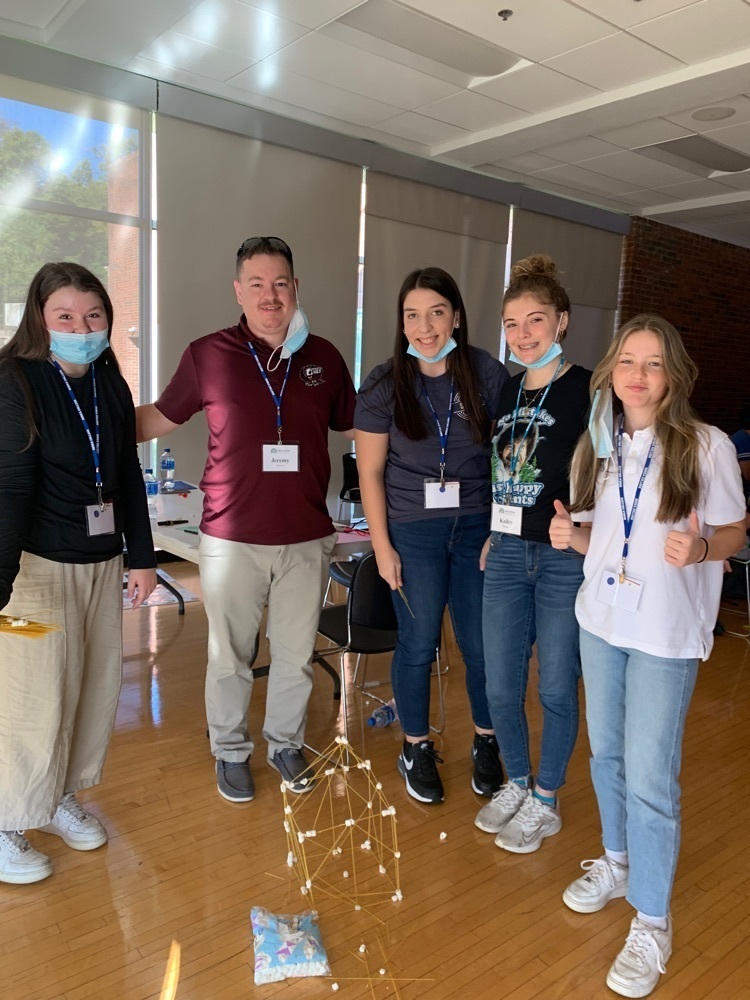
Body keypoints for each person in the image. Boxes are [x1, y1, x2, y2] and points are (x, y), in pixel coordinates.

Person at [550, 314, 745, 998]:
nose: (638, 374)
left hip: (664, 633)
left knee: (651, 779)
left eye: (653, 363)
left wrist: (704, 548)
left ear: (673, 376)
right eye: (627, 361)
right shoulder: (600, 445)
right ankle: (617, 861)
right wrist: (571, 536)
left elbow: (734, 530)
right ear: (611, 372)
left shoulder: (706, 445)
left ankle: (652, 922)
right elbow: (609, 536)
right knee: (605, 756)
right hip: (601, 622)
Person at [136, 237, 355, 802]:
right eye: (256, 284)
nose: (269, 295)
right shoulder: (208, 354)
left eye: (280, 283)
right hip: (231, 538)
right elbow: (158, 417)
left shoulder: (325, 358)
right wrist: (88, 428)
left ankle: (285, 745)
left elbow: (359, 427)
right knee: (229, 657)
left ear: (295, 288)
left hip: (306, 537)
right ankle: (231, 752)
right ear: (238, 290)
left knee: (295, 657)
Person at [0, 262, 157, 885]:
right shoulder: (15, 381)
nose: (81, 329)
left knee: (92, 690)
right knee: (33, 697)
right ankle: (7, 818)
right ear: (40, 319)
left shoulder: (108, 382)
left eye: (93, 316)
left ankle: (60, 795)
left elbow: (126, 475)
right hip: (34, 572)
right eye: (65, 316)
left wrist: (142, 555)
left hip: (100, 565)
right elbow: (9, 487)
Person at [355, 266, 508, 805]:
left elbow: (510, 457)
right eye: (412, 315)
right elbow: (370, 472)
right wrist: (381, 547)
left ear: (456, 317)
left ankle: (486, 741)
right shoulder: (383, 384)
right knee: (418, 644)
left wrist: (500, 529)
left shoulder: (486, 374)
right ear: (401, 323)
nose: (425, 327)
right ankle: (415, 745)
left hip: (476, 530)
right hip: (412, 532)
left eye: (436, 312)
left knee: (480, 645)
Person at [475, 254, 591, 853]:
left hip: (562, 557)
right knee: (500, 683)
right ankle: (517, 782)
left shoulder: (589, 389)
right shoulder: (507, 388)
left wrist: (588, 530)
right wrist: (494, 530)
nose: (523, 335)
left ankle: (546, 799)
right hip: (506, 551)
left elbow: (612, 471)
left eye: (535, 321)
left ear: (561, 321)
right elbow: (504, 468)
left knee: (554, 687)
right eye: (512, 324)